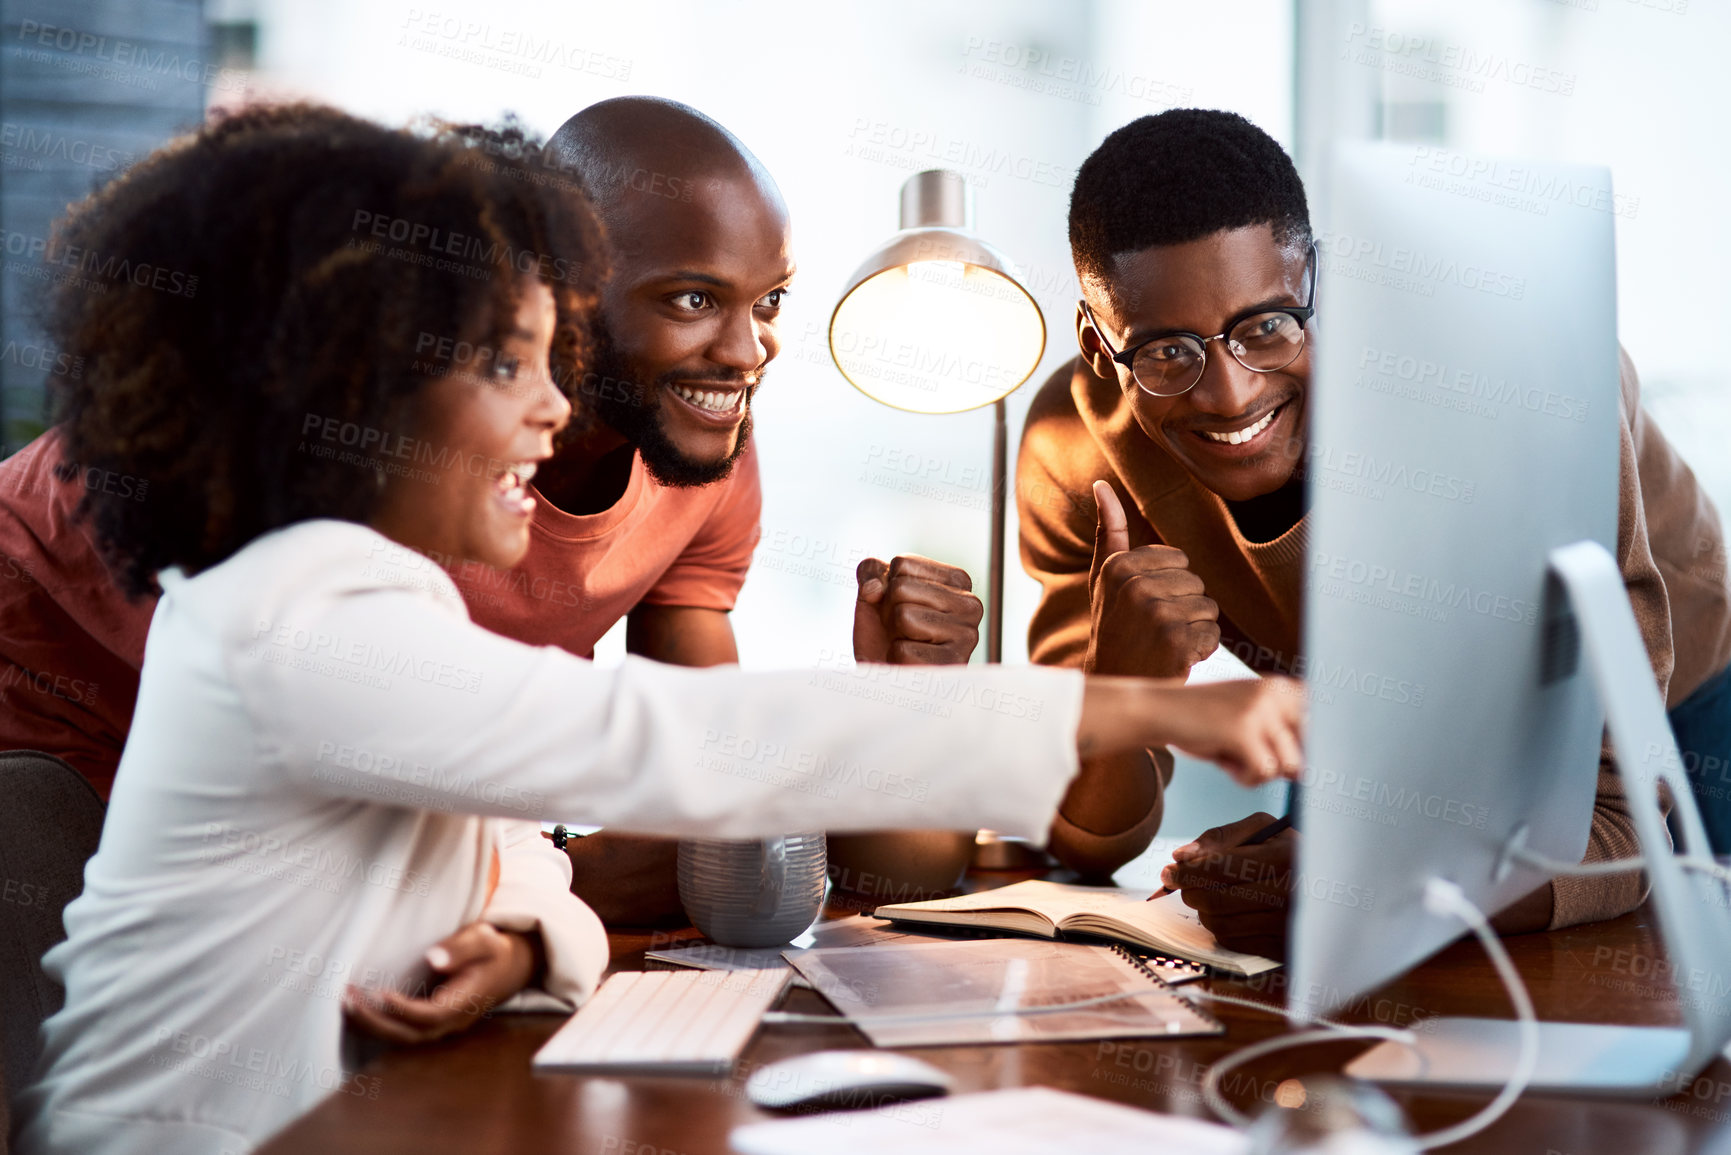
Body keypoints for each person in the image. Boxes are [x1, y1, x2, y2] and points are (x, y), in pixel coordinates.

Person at [14, 105, 1304, 1155]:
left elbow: (507, 836)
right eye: (510, 368)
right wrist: (1149, 706)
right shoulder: (280, 615)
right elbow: (659, 741)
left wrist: (529, 929)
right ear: (349, 397)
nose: (548, 407)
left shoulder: (386, 600)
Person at [0, 96, 982, 925]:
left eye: (768, 301)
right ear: (563, 295)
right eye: (692, 301)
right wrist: (560, 873)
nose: (750, 350)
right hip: (49, 712)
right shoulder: (374, 463)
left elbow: (706, 790)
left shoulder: (698, 450)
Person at [1017, 108, 1731, 958]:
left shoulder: (1514, 367)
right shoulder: (1074, 445)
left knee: (1637, 997)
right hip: (1378, 721)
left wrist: (1357, 894)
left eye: (1266, 326)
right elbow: (1087, 838)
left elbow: (1615, 836)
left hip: (1682, 712)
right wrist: (1121, 691)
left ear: (1319, 281)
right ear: (1098, 349)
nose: (1230, 395)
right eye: (1167, 353)